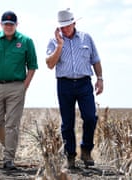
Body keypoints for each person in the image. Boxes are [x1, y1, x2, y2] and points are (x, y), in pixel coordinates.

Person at [0, 10, 38, 170]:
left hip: (16, 87)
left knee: (12, 124)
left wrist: (24, 87)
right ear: (1, 25)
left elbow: (32, 66)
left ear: (16, 25)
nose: (9, 27)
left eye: (12, 24)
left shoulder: (26, 41)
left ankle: (8, 159)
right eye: (6, 24)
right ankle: (9, 146)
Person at [45, 8, 103, 169]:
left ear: (74, 23)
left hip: (84, 83)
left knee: (91, 117)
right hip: (64, 84)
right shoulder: (54, 40)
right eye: (62, 26)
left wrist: (100, 79)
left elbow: (96, 60)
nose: (65, 29)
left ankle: (86, 150)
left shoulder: (86, 38)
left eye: (68, 25)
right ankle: (70, 155)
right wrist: (60, 46)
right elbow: (49, 64)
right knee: (67, 122)